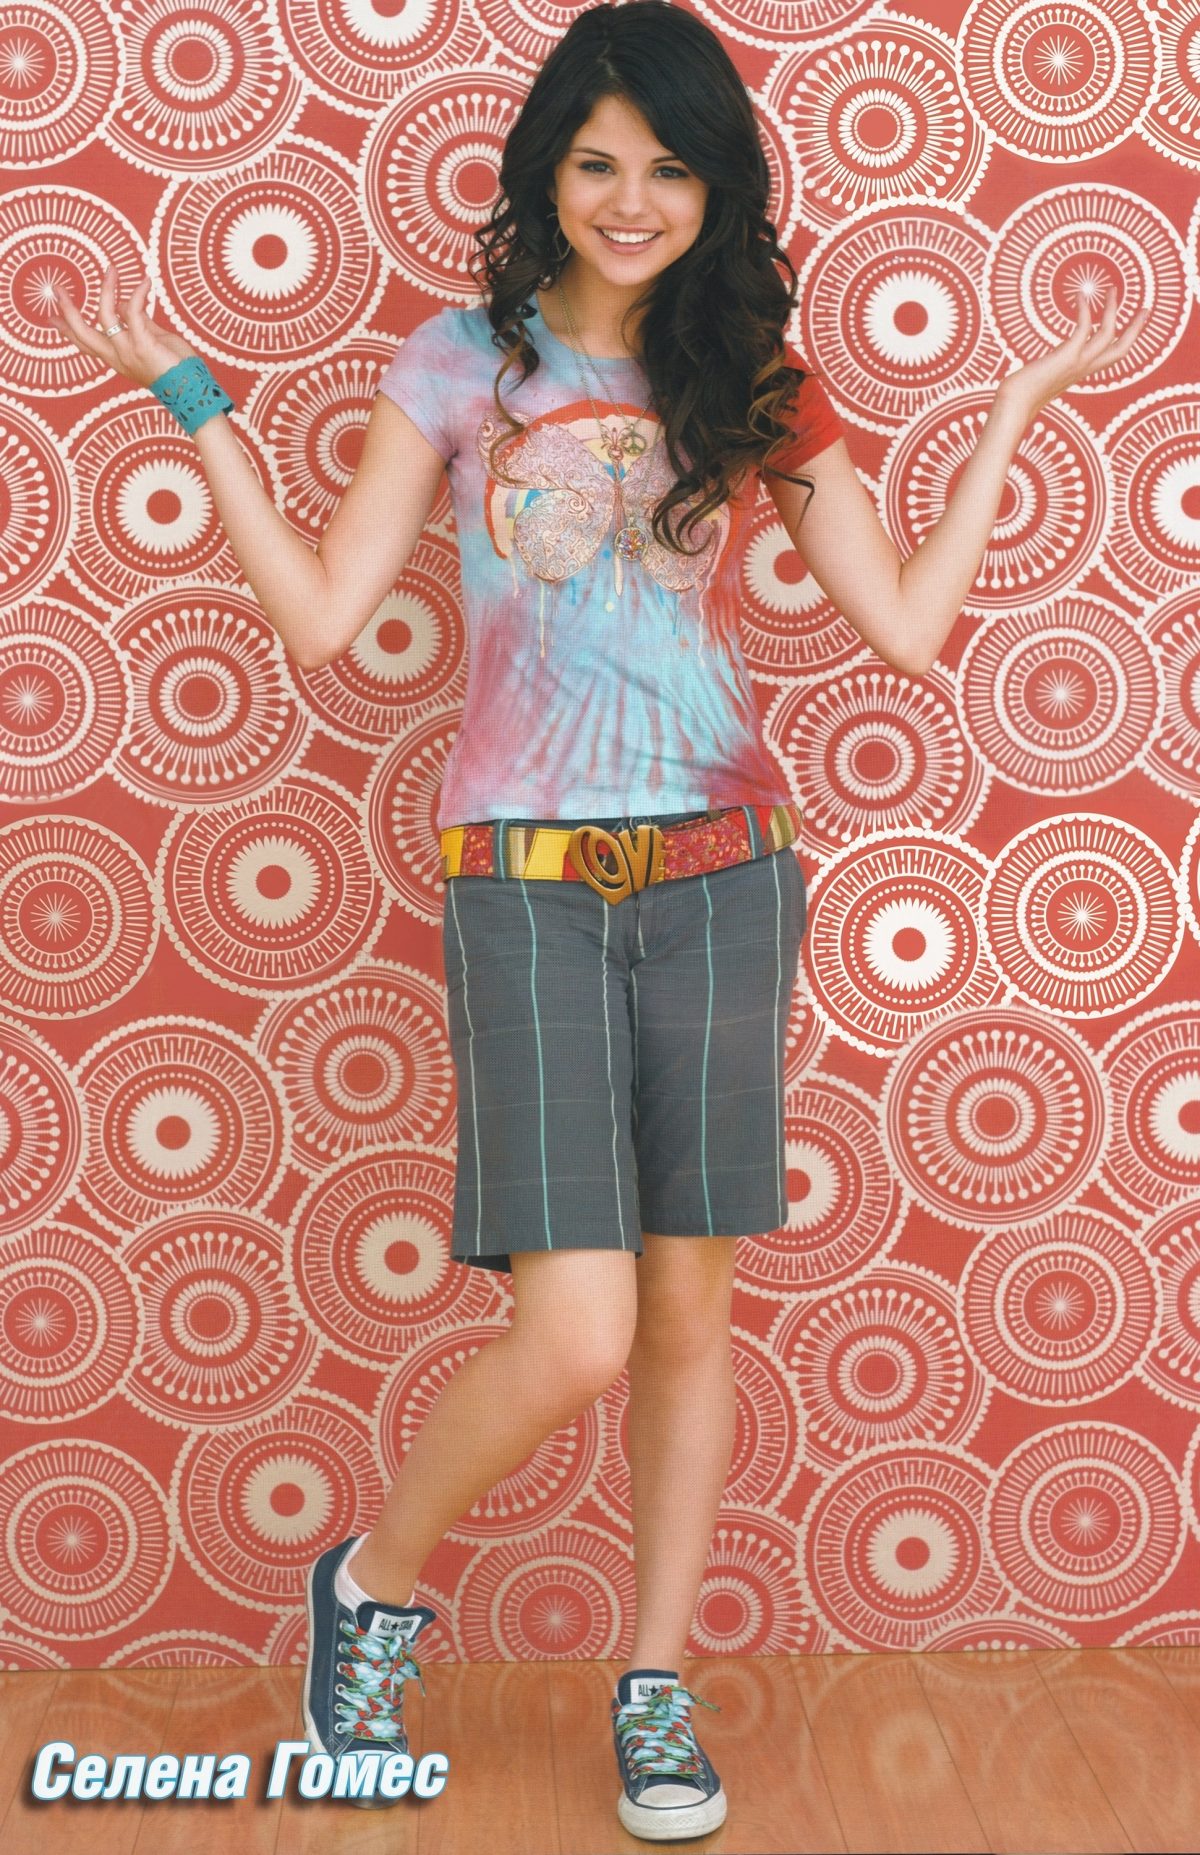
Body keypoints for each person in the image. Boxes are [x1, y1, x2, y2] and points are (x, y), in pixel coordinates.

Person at [52, 0, 1148, 1839]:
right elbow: (321, 619)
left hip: (727, 879)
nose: (633, 200)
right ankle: (372, 1584)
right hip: (524, 887)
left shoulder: (752, 377)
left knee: (689, 1315)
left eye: (671, 168)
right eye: (598, 161)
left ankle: (654, 1688)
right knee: (577, 1332)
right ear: (546, 173)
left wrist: (1018, 418)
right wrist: (190, 397)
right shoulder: (457, 366)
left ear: (718, 188)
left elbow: (902, 626)